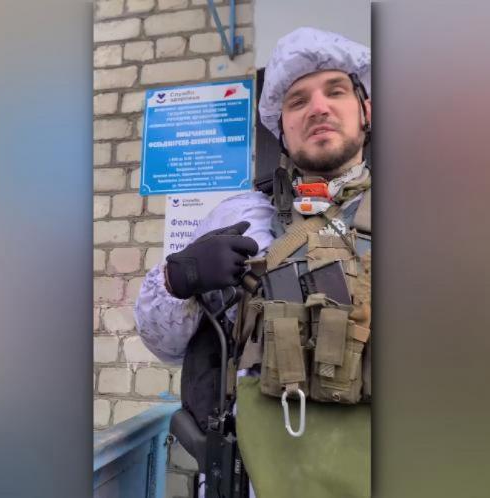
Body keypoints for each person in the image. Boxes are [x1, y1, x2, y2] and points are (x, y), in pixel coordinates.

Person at [136, 27, 372, 498]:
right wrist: (178, 278)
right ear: (280, 126)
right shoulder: (241, 217)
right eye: (298, 100)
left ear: (366, 110)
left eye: (335, 91)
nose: (318, 108)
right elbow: (164, 344)